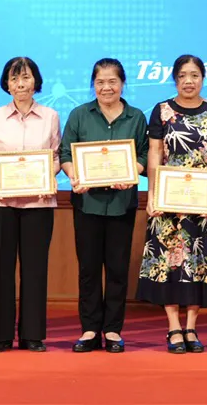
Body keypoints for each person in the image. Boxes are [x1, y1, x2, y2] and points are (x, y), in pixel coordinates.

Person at [139, 55, 207, 353]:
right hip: (169, 203)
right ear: (175, 79)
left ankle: (191, 326)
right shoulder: (162, 110)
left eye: (194, 75)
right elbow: (155, 154)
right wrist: (153, 195)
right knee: (168, 263)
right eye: (182, 76)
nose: (188, 81)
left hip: (204, 203)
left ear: (203, 78)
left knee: (199, 264)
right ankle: (173, 327)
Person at [59, 58, 148, 353]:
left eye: (112, 81)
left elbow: (144, 155)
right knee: (88, 269)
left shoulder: (136, 117)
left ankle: (112, 330)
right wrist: (75, 176)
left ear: (122, 84)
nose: (106, 87)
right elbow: (65, 154)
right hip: (87, 204)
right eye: (100, 82)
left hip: (122, 204)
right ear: (93, 84)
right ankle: (89, 329)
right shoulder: (79, 115)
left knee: (117, 269)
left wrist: (132, 172)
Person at [0, 57, 61, 353]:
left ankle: (32, 334)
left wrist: (46, 177)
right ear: (6, 84)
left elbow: (55, 156)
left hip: (38, 203)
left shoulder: (50, 116)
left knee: (35, 268)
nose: (20, 84)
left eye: (25, 77)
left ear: (36, 81)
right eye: (14, 79)